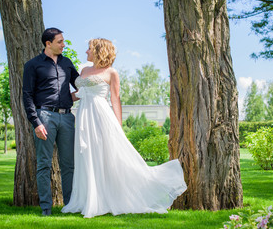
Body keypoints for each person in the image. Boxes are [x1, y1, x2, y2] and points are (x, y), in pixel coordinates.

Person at [61, 38, 187, 218]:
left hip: (100, 116)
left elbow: (115, 99)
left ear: (98, 51)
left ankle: (109, 198)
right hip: (83, 116)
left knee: (105, 155)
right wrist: (54, 97)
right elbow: (79, 95)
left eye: (89, 49)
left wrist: (118, 126)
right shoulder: (84, 70)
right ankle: (88, 199)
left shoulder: (111, 72)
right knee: (86, 155)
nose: (86, 52)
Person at [22, 28, 79, 216]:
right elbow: (27, 95)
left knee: (68, 164)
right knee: (44, 164)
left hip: (67, 117)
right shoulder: (33, 65)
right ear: (48, 43)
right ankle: (46, 207)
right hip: (45, 117)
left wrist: (96, 88)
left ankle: (70, 205)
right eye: (60, 41)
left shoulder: (67, 63)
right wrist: (36, 122)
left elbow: (80, 86)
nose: (64, 45)